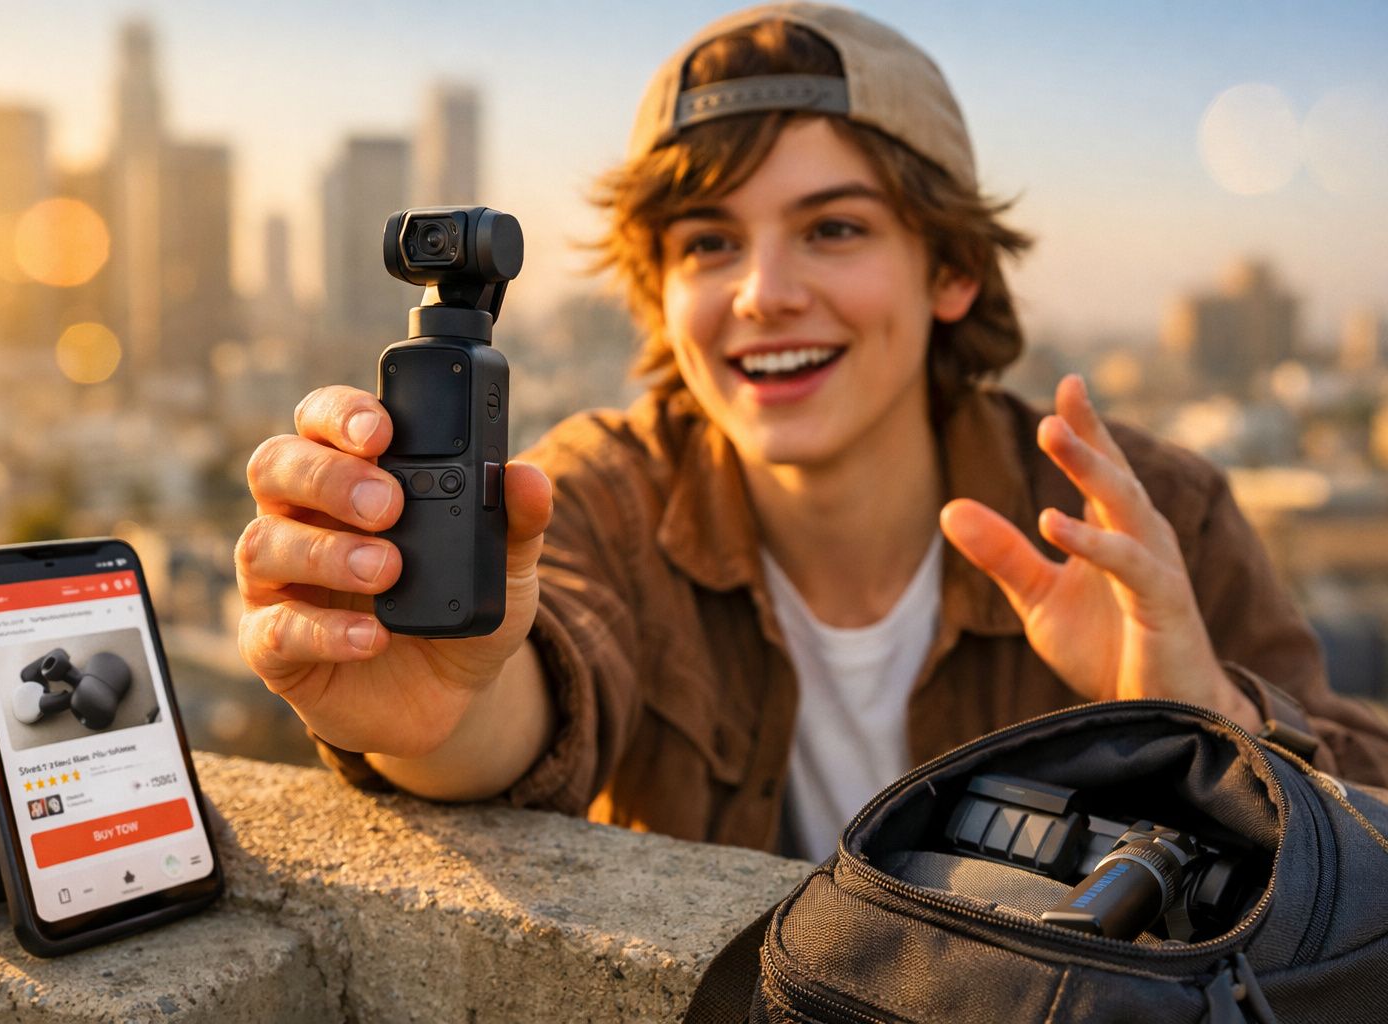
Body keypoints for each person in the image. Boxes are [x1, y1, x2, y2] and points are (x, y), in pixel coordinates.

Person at [234, 2, 1388, 859]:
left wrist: (1215, 730)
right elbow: (541, 687)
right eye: (709, 243)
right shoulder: (607, 491)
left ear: (949, 270)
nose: (762, 293)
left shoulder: (1142, 517)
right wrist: (438, 713)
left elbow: (1368, 826)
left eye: (833, 229)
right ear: (658, 291)